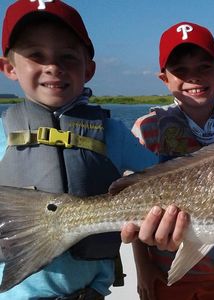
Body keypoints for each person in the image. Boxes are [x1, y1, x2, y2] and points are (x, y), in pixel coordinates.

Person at [0, 0, 158, 298]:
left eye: (68, 57)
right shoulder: (1, 132)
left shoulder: (113, 132)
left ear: (89, 69)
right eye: (36, 55)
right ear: (8, 67)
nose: (52, 67)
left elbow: (166, 176)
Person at [129, 21, 214, 300]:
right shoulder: (147, 128)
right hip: (167, 272)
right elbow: (131, 208)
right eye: (180, 71)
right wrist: (143, 268)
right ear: (164, 79)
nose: (194, 78)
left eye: (204, 67)